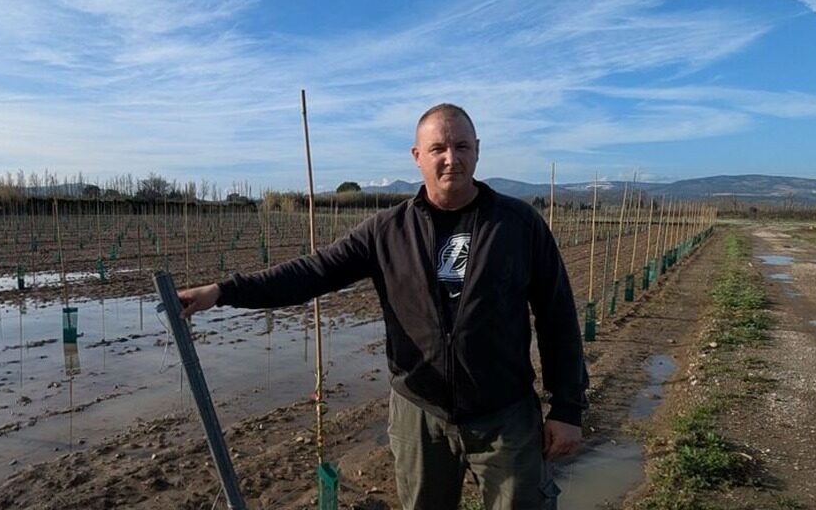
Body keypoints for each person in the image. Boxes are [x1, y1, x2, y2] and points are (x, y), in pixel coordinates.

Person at [178, 103, 587, 509]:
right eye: (438, 149)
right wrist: (223, 291)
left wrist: (567, 407)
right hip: (419, 414)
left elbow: (557, 316)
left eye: (462, 146)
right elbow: (310, 273)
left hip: (504, 414)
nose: (451, 159)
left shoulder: (517, 224)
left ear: (477, 149)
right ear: (417, 157)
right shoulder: (387, 230)